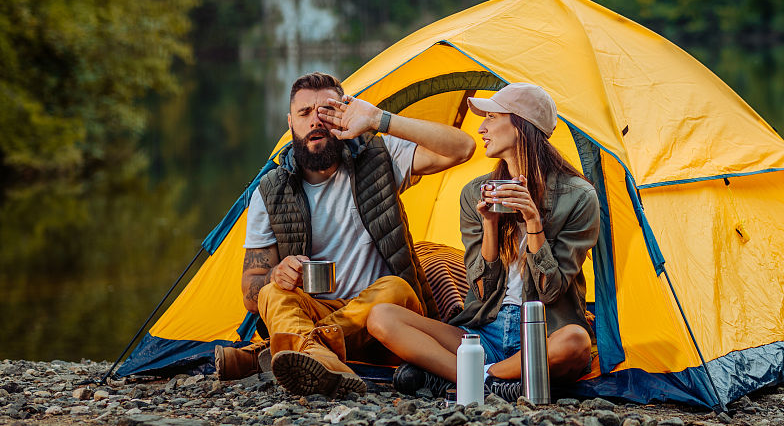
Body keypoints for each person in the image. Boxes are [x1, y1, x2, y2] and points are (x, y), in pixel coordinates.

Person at [220, 71, 476, 397]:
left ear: (343, 111)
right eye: (304, 113)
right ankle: (322, 358)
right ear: (290, 123)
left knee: (395, 289)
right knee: (271, 293)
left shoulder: (379, 158)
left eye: (326, 112)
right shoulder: (270, 192)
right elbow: (250, 294)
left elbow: (463, 147)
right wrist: (276, 274)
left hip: (385, 327)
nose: (316, 121)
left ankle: (292, 351)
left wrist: (378, 119)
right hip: (317, 310)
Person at [365, 82, 598, 401]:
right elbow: (481, 292)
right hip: (484, 331)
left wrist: (533, 222)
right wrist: (490, 225)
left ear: (520, 125)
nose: (481, 127)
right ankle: (492, 380)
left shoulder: (579, 196)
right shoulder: (477, 193)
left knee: (576, 343)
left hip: (543, 331)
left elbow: (550, 290)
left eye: (491, 117)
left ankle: (468, 377)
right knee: (381, 317)